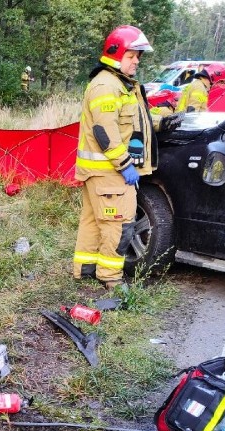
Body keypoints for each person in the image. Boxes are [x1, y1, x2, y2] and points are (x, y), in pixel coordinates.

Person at [73, 25, 181, 289]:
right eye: (132, 56)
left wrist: (160, 124)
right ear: (115, 54)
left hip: (103, 173)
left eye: (138, 57)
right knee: (118, 225)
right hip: (110, 172)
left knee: (94, 223)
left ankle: (86, 270)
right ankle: (110, 278)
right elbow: (104, 131)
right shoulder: (105, 87)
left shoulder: (122, 85)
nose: (136, 62)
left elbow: (132, 123)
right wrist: (124, 166)